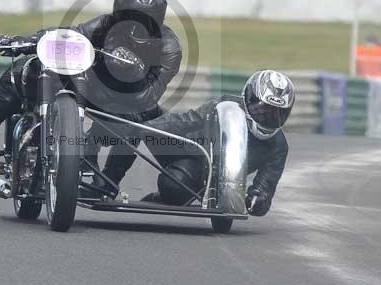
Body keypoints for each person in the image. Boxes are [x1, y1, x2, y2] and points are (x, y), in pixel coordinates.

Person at [0, 0, 183, 181]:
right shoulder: (106, 24)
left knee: (142, 118)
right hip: (93, 87)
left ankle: (107, 180)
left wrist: (130, 73)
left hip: (129, 103)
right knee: (25, 69)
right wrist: (23, 41)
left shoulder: (169, 48)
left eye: (144, 18)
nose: (135, 24)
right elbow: (71, 35)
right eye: (129, 15)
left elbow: (149, 97)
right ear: (119, 12)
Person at [107, 70, 294, 217]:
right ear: (248, 99)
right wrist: (143, 128)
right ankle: (107, 183)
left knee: (173, 187)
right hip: (185, 147)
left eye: (276, 113)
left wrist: (257, 200)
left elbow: (265, 188)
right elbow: (185, 122)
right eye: (262, 110)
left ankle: (160, 196)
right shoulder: (223, 107)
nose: (267, 117)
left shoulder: (278, 146)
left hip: (201, 177)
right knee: (139, 112)